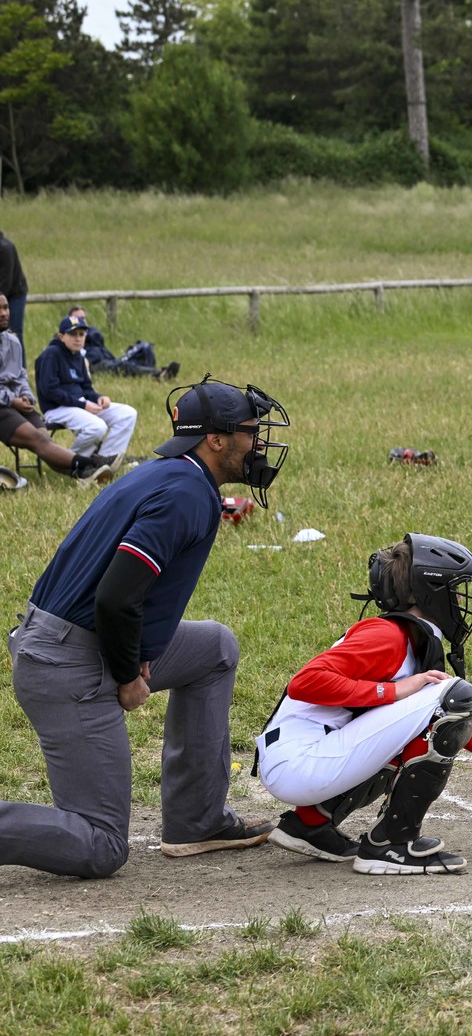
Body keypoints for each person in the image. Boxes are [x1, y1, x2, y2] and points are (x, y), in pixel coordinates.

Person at [2, 377, 292, 878]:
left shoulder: (168, 475)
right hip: (68, 666)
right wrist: (127, 675)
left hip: (69, 643)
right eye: (250, 431)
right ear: (215, 440)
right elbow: (115, 599)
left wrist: (133, 651)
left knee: (214, 648)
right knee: (102, 845)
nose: (258, 442)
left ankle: (197, 821)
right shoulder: (187, 494)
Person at [256, 534, 472, 874]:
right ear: (430, 592)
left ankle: (308, 823)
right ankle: (390, 845)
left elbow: (469, 734)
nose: (459, 600)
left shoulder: (413, 639)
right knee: (452, 697)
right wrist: (392, 692)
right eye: (454, 590)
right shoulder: (388, 637)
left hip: (309, 755)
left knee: (444, 707)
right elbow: (304, 683)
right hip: (300, 760)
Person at [0, 296, 117, 487]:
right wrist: (12, 401)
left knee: (45, 440)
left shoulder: (13, 341)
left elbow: (20, 375)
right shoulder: (52, 354)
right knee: (38, 439)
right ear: (61, 336)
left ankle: (84, 473)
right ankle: (90, 464)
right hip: (2, 407)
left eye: (6, 307)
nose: (4, 313)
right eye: (0, 309)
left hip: (18, 403)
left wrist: (26, 396)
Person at [35, 314, 138, 466]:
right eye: (73, 334)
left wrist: (98, 398)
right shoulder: (51, 354)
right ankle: (69, 463)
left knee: (127, 414)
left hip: (79, 404)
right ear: (61, 336)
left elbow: (86, 388)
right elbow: (49, 390)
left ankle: (105, 459)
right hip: (57, 408)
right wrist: (82, 405)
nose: (78, 338)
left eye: (81, 334)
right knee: (97, 427)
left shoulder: (79, 356)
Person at [63, 305, 180, 381]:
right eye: (76, 318)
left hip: (108, 360)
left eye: (83, 318)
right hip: (94, 366)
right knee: (123, 367)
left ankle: (156, 371)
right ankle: (158, 374)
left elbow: (99, 342)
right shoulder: (66, 337)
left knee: (141, 350)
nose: (80, 321)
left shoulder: (92, 333)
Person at [0, 230, 26, 357]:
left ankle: (20, 370)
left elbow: (6, 282)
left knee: (14, 334)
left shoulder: (5, 249)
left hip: (14, 294)